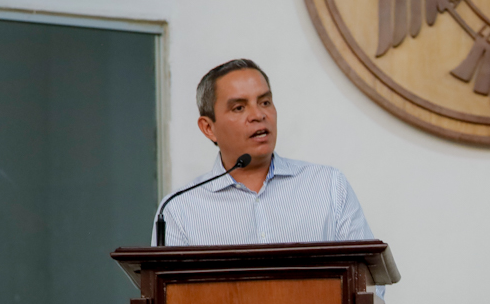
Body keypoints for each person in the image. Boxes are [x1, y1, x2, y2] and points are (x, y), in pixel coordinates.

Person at [152, 58, 375, 247]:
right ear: (209, 128)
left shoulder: (329, 187)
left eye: (265, 102)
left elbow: (366, 277)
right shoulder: (179, 210)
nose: (258, 115)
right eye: (239, 108)